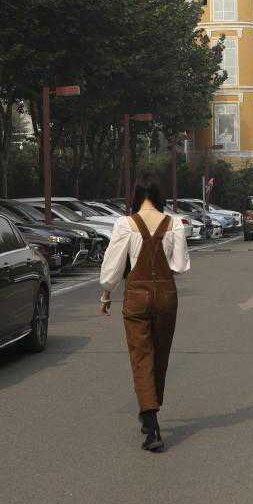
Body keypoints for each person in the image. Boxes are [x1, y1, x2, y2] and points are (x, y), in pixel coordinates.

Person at [99, 175, 190, 452]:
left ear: (137, 197)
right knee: (160, 355)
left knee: (141, 357)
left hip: (136, 297)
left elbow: (113, 266)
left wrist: (106, 293)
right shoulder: (174, 223)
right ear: (159, 197)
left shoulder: (125, 224)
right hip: (166, 296)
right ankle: (151, 409)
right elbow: (179, 265)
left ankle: (151, 423)